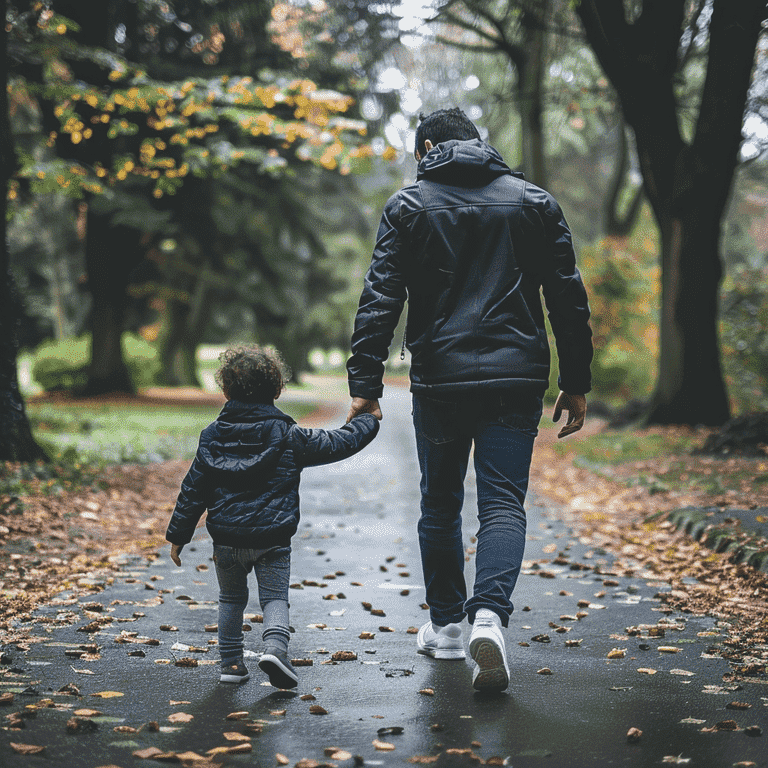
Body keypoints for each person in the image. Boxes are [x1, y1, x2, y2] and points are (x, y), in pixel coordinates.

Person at [346, 108, 592, 692]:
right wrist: (576, 379)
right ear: (477, 143)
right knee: (504, 503)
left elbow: (380, 296)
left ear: (429, 146)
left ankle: (447, 629)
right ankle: (489, 616)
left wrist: (364, 383)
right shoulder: (535, 203)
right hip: (517, 377)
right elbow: (567, 296)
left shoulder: (409, 206)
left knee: (440, 503)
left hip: (440, 378)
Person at [166, 345, 379, 689]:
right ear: (278, 389)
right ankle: (276, 648)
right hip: (272, 539)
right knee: (275, 598)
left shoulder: (211, 436)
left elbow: (194, 488)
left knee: (231, 599)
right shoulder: (289, 436)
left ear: (225, 390)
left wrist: (179, 534)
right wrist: (367, 419)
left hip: (227, 539)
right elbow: (339, 443)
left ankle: (231, 664)